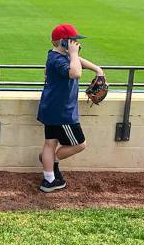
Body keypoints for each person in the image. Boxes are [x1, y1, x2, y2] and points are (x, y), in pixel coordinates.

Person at [37, 24, 104, 193]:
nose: (76, 43)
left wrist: (97, 69)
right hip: (62, 112)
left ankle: (49, 178)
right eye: (73, 40)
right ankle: (52, 163)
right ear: (63, 42)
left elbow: (77, 62)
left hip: (51, 108)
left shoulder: (56, 55)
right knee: (80, 144)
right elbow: (75, 73)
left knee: (50, 143)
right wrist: (74, 54)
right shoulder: (59, 59)